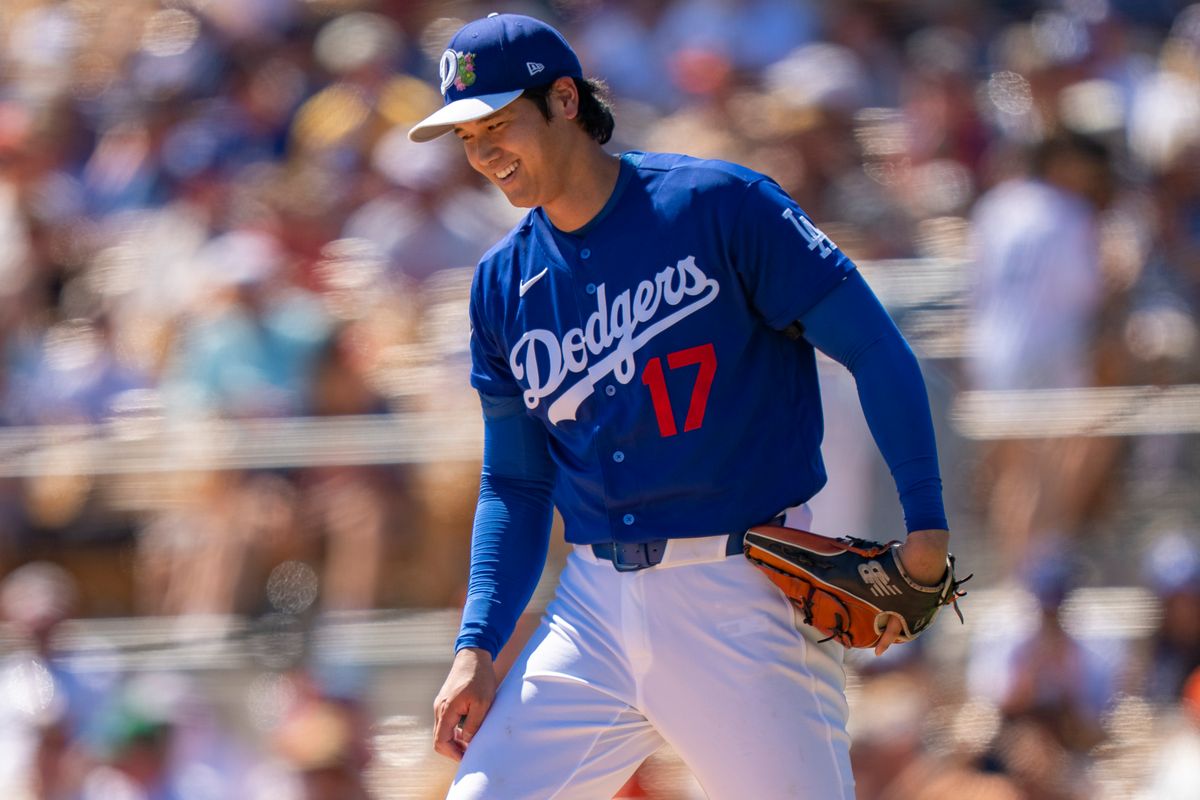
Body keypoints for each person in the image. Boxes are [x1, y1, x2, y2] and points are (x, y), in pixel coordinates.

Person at [409, 13, 951, 799]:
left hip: (742, 592)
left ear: (565, 100)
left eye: (497, 123)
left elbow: (876, 349)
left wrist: (926, 522)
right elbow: (515, 484)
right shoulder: (502, 282)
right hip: (591, 609)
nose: (483, 151)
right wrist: (477, 644)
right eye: (465, 135)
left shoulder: (719, 207)